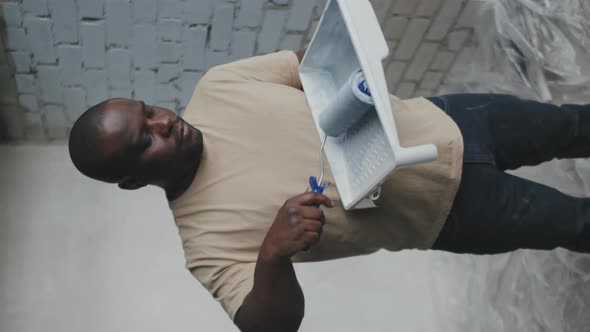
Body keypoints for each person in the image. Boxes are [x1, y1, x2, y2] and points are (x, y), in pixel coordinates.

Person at [68, 50, 590, 332]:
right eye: (145, 139)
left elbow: (310, 66)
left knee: (574, 126)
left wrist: (351, 80)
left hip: (451, 118)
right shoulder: (206, 243)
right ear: (133, 181)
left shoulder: (219, 86)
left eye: (149, 110)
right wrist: (271, 256)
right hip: (455, 213)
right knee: (578, 224)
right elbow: (266, 327)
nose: (165, 122)